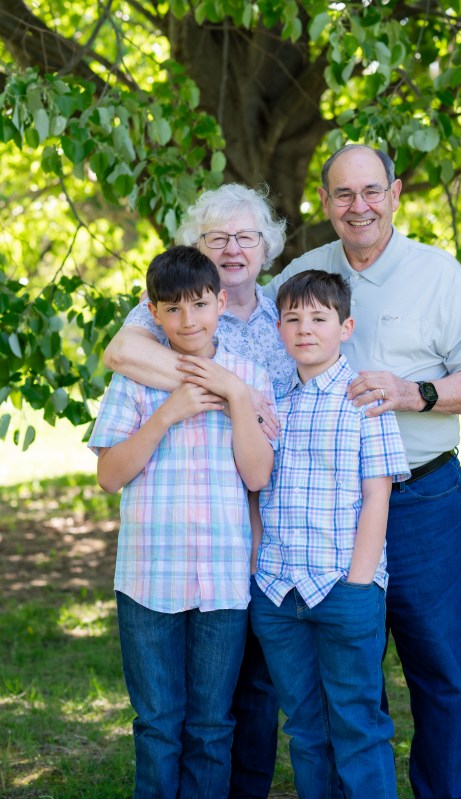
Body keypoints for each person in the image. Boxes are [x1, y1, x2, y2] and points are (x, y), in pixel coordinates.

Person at [261, 144, 461, 799]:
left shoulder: (437, 272)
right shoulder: (304, 272)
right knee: (347, 674)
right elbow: (232, 323)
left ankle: (441, 790)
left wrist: (411, 392)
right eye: (343, 194)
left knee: (438, 665)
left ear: (395, 194)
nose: (359, 206)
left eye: (372, 190)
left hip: (422, 500)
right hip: (326, 512)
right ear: (325, 201)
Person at [103, 184, 292, 798]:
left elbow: (258, 474)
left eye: (245, 237)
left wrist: (236, 393)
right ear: (154, 311)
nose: (189, 319)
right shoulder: (142, 363)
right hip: (150, 572)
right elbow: (109, 473)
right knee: (159, 723)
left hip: (229, 566)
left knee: (217, 722)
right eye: (219, 238)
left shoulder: (264, 348)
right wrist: (171, 410)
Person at [250, 270, 410, 799]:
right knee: (304, 726)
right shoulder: (271, 401)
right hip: (279, 592)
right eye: (292, 319)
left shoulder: (364, 399)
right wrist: (257, 565)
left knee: (357, 724)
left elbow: (377, 496)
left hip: (344, 587)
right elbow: (256, 489)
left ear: (345, 327)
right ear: (278, 328)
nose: (304, 329)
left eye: (319, 318)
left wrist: (359, 585)